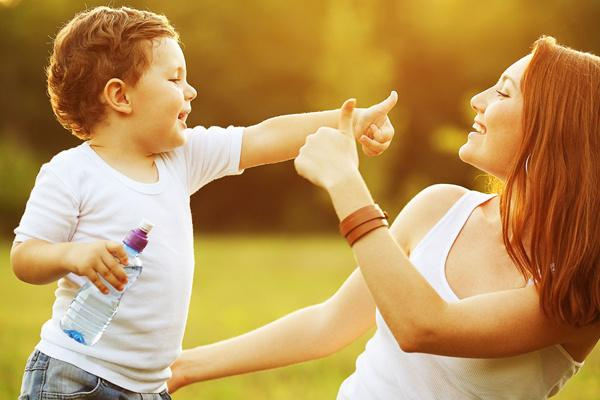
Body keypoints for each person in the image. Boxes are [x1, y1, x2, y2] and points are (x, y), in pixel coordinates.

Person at [167, 36, 600, 399]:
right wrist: (183, 368)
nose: (477, 100)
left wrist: (345, 182)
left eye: (503, 93)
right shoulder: (441, 209)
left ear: (555, 128)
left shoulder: (579, 283)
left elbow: (422, 328)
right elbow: (329, 324)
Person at [10, 6, 398, 399]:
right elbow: (25, 257)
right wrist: (72, 256)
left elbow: (265, 136)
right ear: (120, 96)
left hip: (149, 388)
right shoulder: (71, 172)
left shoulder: (181, 158)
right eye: (174, 78)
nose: (190, 90)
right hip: (76, 376)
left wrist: (354, 121)